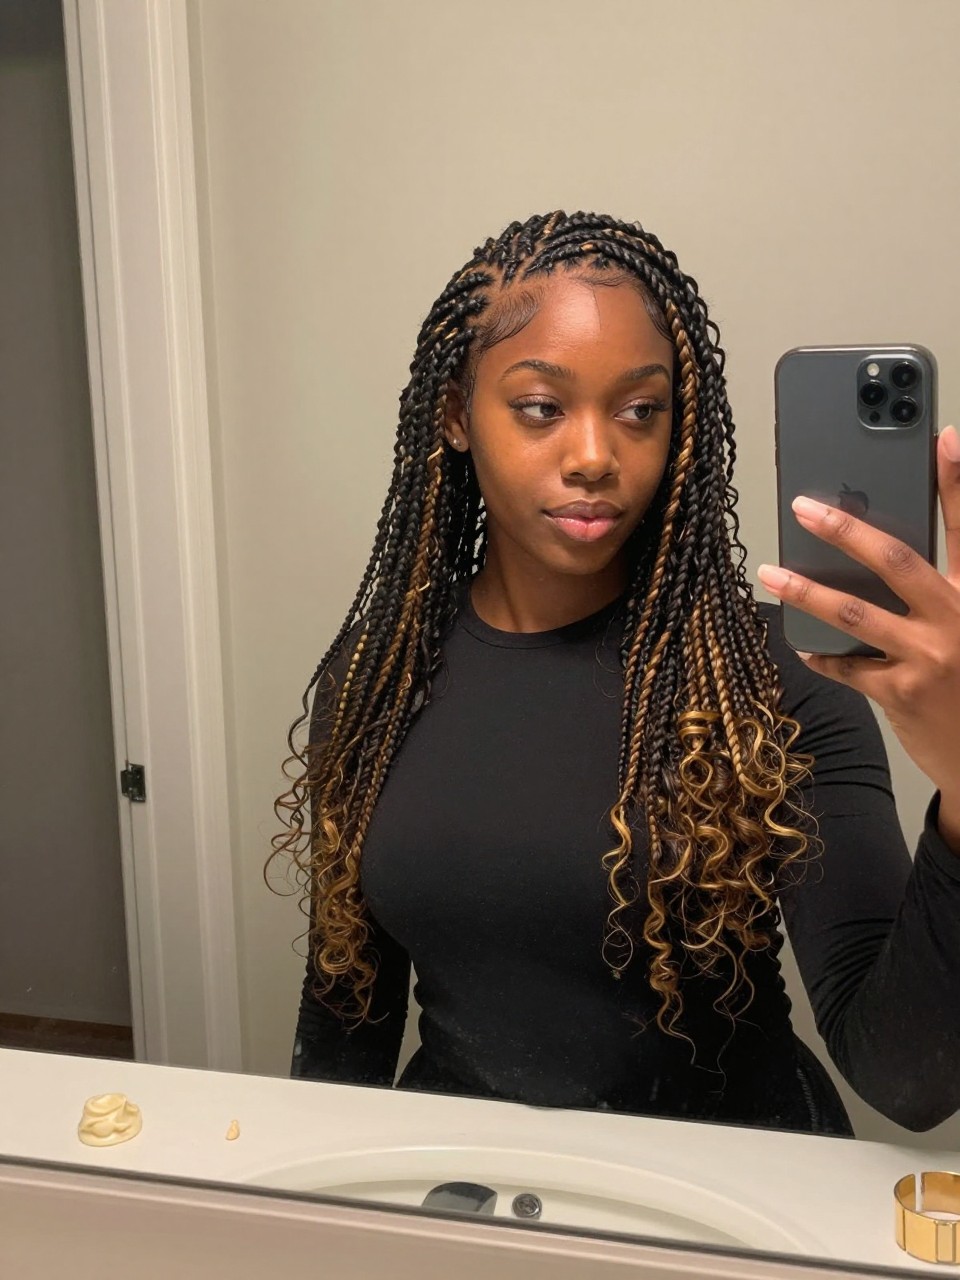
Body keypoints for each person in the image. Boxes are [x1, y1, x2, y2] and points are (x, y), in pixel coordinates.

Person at [269, 210, 960, 1137]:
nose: (595, 456)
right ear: (456, 415)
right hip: (475, 1175)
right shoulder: (377, 678)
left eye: (640, 411)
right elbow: (345, 1020)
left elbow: (906, 1080)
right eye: (541, 408)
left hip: (730, 1184)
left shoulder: (773, 678)